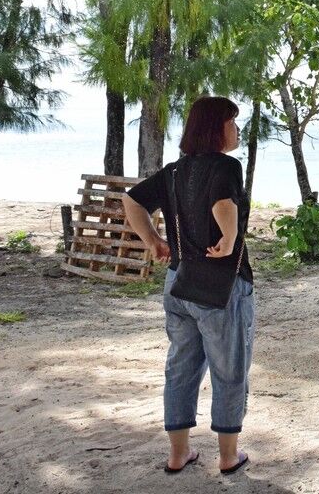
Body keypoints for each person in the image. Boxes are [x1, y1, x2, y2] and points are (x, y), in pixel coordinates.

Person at [122, 96, 254, 475]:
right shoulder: (227, 165)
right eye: (233, 121)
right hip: (221, 286)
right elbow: (222, 202)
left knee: (181, 367)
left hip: (178, 283)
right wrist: (228, 238)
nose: (237, 129)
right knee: (230, 370)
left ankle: (178, 454)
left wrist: (154, 242)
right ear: (216, 128)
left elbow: (132, 201)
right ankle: (228, 457)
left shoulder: (174, 171)